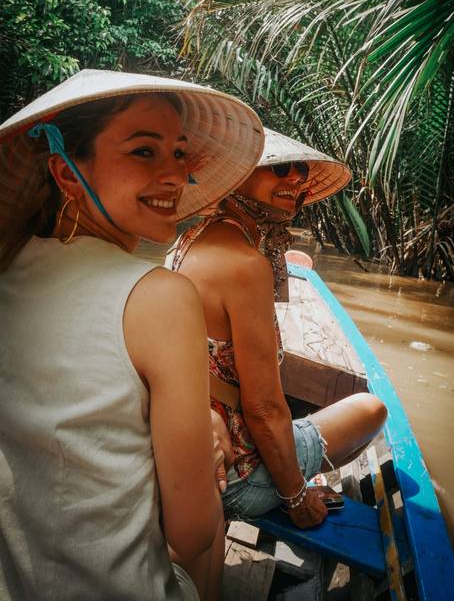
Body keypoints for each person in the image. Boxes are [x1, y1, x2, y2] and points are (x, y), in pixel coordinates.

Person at [0, 69, 264, 601]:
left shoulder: (11, 269)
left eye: (179, 153)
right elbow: (188, 535)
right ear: (68, 173)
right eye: (145, 152)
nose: (175, 176)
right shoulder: (160, 295)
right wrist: (209, 454)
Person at [167, 127, 387, 529]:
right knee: (371, 409)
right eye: (281, 168)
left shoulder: (193, 237)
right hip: (234, 479)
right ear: (236, 175)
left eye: (301, 171)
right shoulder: (246, 265)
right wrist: (297, 498)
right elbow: (264, 409)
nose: (297, 179)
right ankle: (292, 482)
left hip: (187, 440)